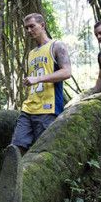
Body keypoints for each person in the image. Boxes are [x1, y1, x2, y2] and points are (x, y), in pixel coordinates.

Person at [11, 13, 72, 153]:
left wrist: (38, 79)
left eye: (32, 26)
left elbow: (67, 72)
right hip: (29, 107)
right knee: (15, 147)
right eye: (26, 28)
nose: (29, 31)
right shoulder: (31, 53)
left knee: (45, 150)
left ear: (42, 25)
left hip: (48, 108)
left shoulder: (56, 46)